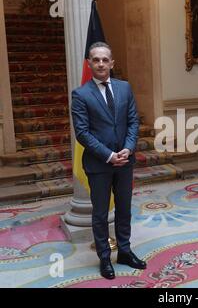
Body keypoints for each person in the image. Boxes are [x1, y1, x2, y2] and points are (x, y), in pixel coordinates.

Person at [71, 42, 146, 280]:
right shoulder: (81, 94)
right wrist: (108, 155)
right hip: (99, 164)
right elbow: (82, 133)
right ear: (90, 64)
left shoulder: (125, 88)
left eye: (105, 59)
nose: (101, 63)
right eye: (96, 59)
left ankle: (124, 251)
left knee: (124, 209)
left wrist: (127, 148)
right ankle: (104, 257)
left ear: (112, 63)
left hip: (125, 161)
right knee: (101, 214)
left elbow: (133, 121)